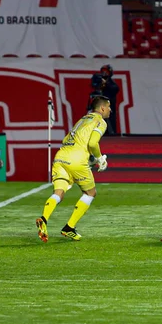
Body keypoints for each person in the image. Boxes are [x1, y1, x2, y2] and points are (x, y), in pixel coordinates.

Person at [36, 95, 110, 242]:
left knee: (59, 192)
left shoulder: (82, 119)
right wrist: (100, 159)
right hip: (76, 158)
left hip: (61, 156)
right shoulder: (100, 121)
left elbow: (66, 139)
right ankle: (69, 227)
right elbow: (93, 144)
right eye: (108, 107)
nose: (110, 110)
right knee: (90, 193)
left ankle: (44, 219)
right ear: (102, 108)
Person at [99, 64, 119, 135]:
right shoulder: (100, 82)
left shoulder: (111, 83)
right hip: (99, 108)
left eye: (106, 71)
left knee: (110, 126)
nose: (104, 73)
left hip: (109, 109)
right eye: (103, 71)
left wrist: (106, 84)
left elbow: (116, 89)